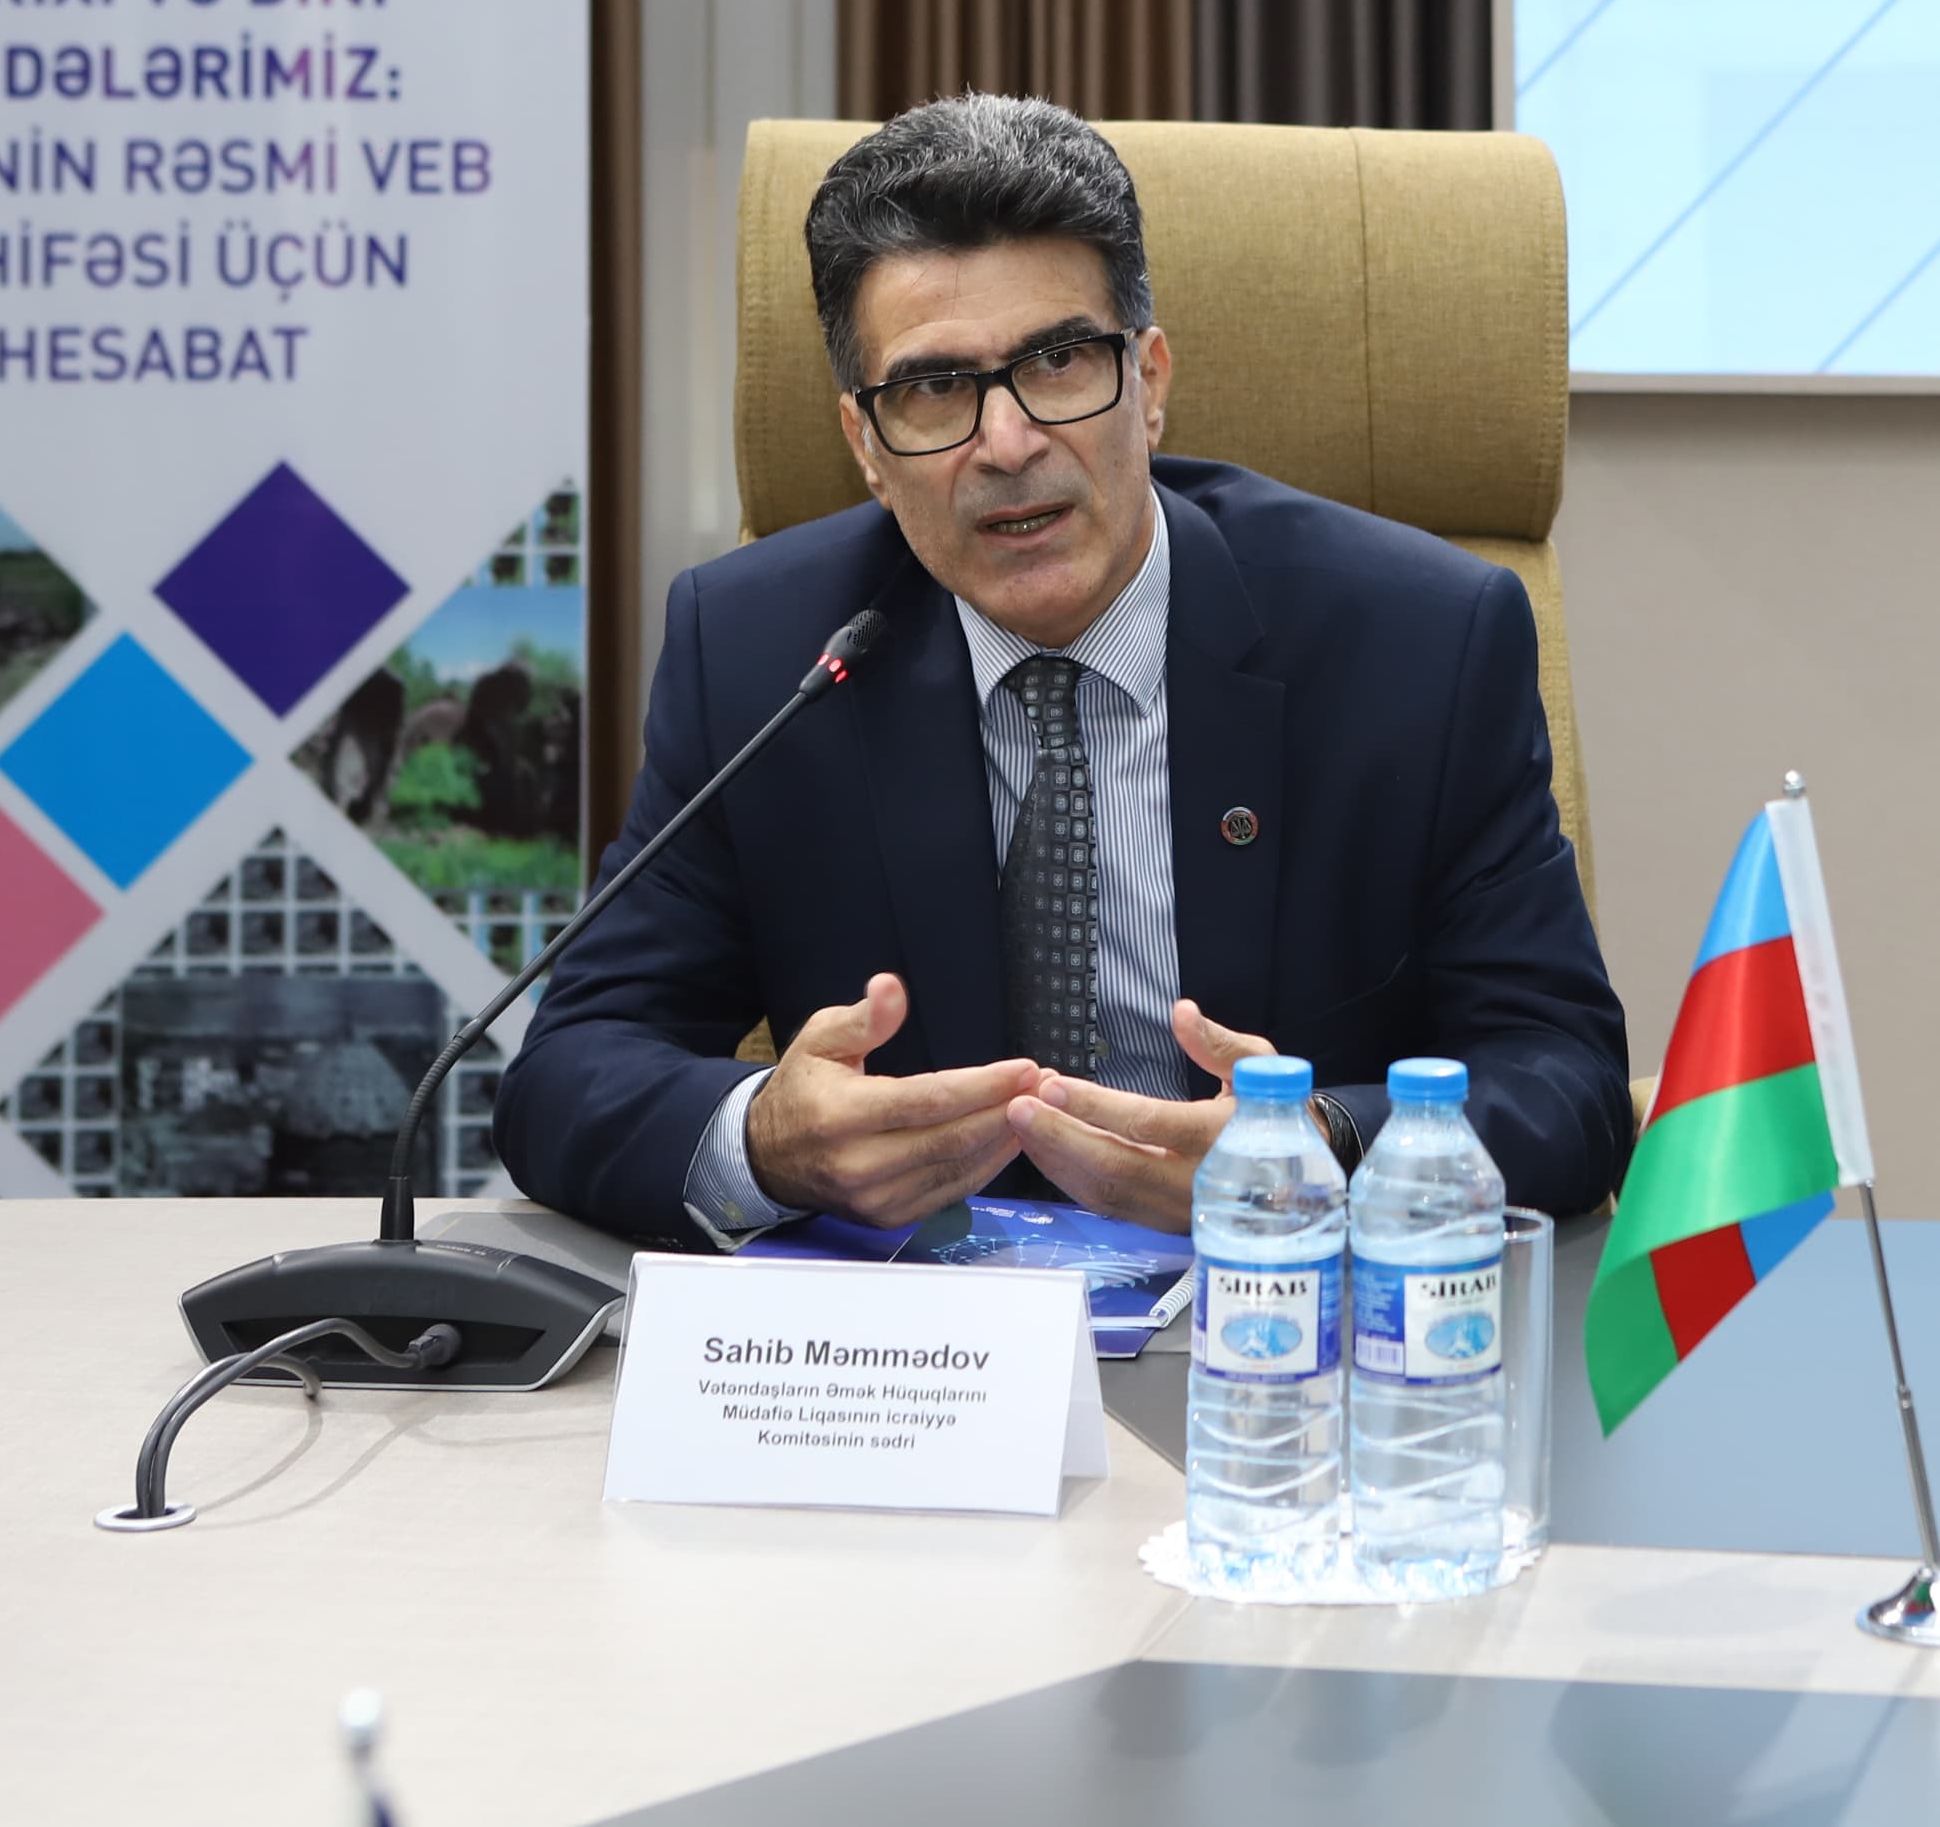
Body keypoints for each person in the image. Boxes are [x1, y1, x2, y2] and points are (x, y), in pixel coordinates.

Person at [493, 95, 1635, 1247]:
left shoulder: (1417, 644)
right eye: (933, 388)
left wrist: (1316, 1149)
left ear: (1150, 380)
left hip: (1274, 1322)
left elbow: (1565, 1077)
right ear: (865, 447)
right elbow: (571, 1067)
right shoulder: (760, 651)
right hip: (910, 1333)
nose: (1007, 443)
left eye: (1056, 360)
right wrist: (767, 1139)